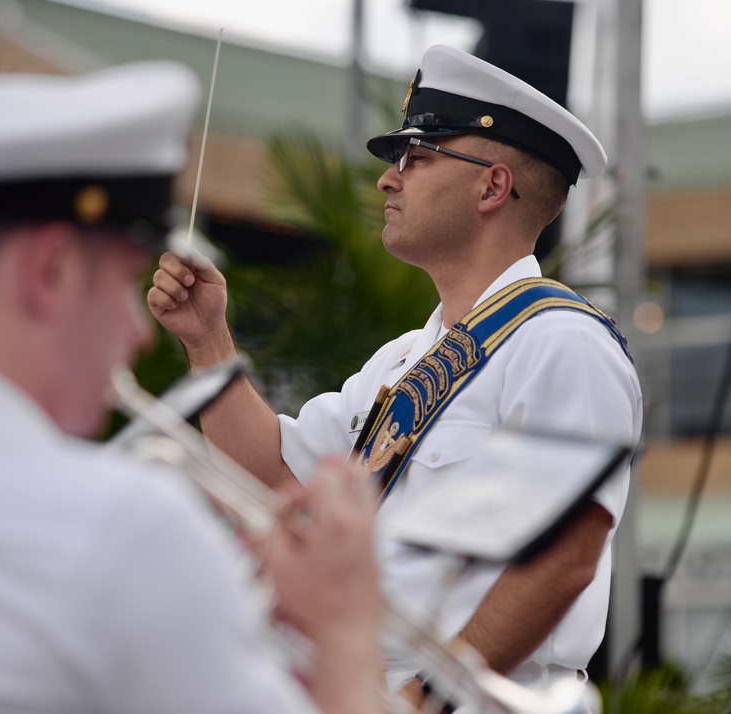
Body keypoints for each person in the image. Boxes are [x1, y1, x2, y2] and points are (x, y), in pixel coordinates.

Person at [0, 62, 386, 714]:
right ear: (52, 269)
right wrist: (344, 636)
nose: (137, 331)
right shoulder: (126, 533)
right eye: (121, 283)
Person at [148, 44, 643, 708]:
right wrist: (208, 340)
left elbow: (562, 558)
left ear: (491, 186)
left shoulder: (561, 344)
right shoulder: (404, 359)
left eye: (417, 158)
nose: (388, 179)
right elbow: (273, 479)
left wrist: (423, 697)